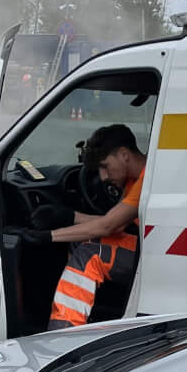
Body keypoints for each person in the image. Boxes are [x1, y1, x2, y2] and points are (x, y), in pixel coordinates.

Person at [19, 123, 146, 330]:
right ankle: (88, 319)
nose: (104, 176)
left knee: (91, 254)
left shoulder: (145, 181)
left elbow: (107, 227)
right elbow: (115, 224)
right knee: (81, 242)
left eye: (105, 166)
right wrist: (68, 216)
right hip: (146, 247)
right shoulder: (135, 180)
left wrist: (48, 236)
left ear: (124, 154)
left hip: (152, 254)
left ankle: (63, 332)